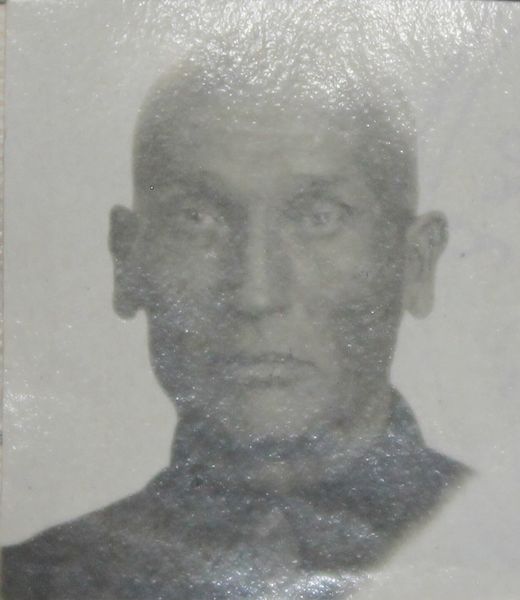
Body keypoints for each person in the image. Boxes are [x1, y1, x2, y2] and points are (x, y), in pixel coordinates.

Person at [2, 58, 470, 600]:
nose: (256, 294)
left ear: (414, 263)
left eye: (318, 217)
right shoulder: (30, 584)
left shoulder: (503, 546)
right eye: (197, 218)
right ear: (127, 262)